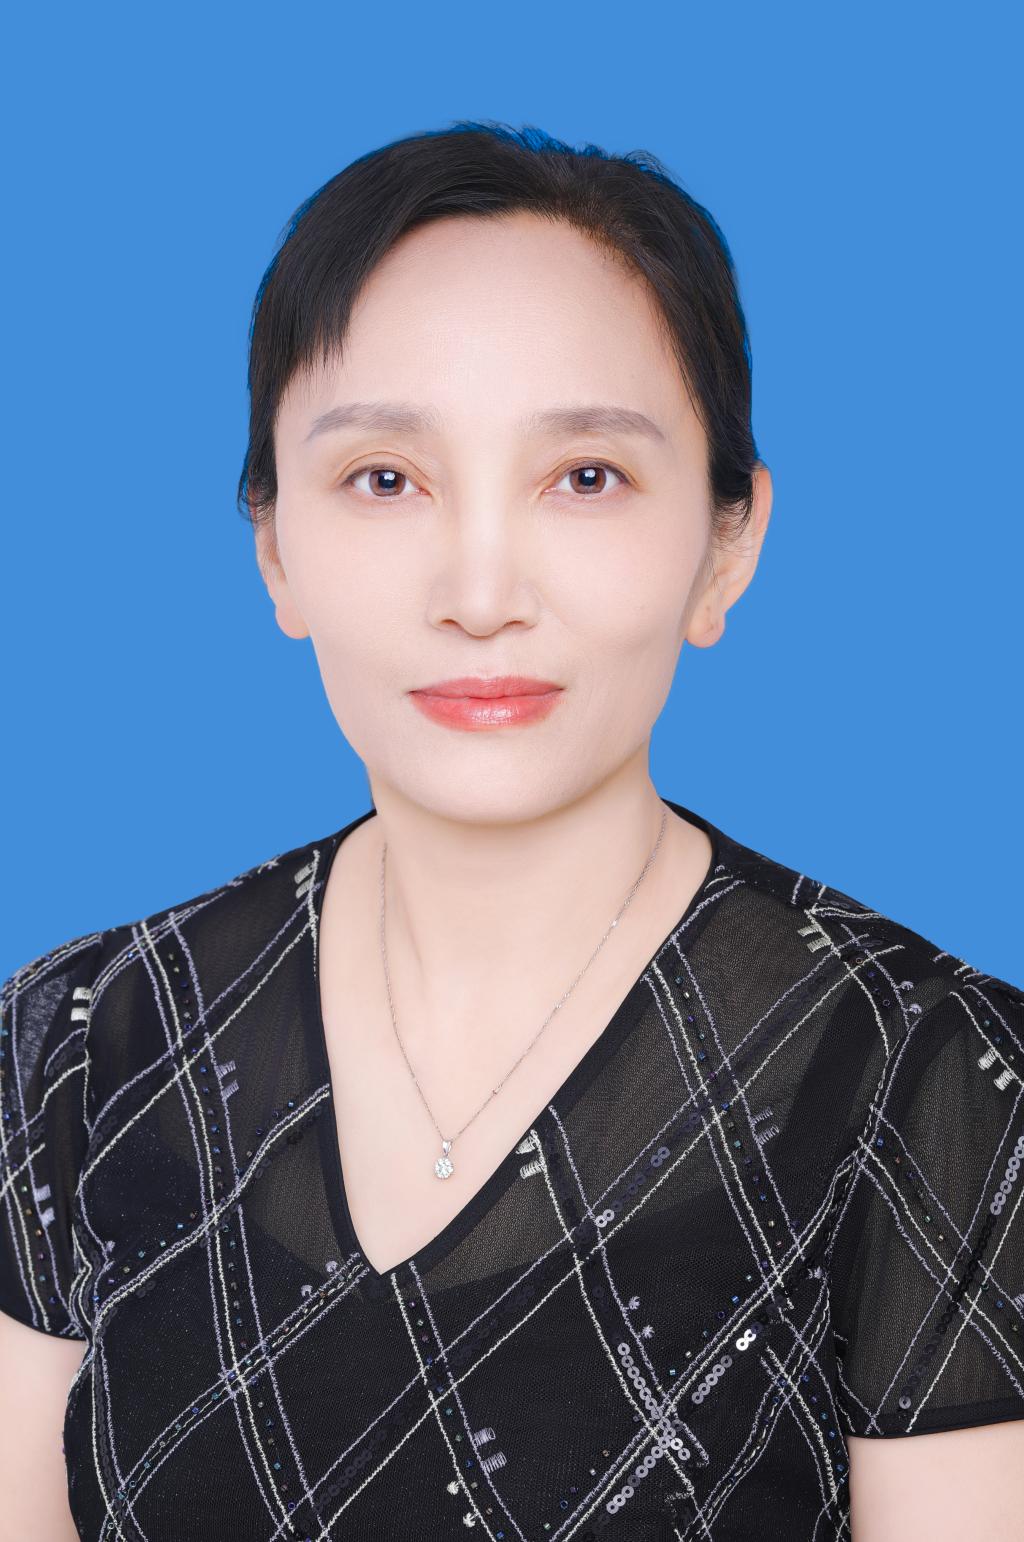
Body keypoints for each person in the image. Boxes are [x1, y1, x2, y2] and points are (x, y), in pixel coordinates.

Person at [1, 121, 1021, 1542]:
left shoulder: (933, 1075)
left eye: (586, 476)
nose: (480, 594)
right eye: (385, 479)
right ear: (275, 546)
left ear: (727, 542)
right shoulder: (85, 1036)